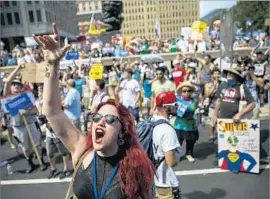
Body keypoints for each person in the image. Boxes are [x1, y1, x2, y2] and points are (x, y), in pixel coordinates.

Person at [33, 23, 154, 199]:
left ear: (123, 132)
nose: (101, 122)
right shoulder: (82, 150)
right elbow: (52, 111)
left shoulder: (137, 168)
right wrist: (52, 64)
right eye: (97, 117)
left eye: (110, 119)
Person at [3, 65, 46, 173]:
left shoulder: (26, 96)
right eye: (14, 85)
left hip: (30, 123)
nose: (16, 87)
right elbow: (7, 81)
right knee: (26, 147)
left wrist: (27, 112)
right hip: (18, 126)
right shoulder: (7, 97)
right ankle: (30, 163)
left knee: (36, 144)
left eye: (18, 85)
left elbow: (35, 110)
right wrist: (17, 69)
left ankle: (41, 161)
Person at [152, 91, 181, 199]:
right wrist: (176, 159)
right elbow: (170, 162)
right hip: (165, 182)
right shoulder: (168, 130)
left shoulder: (151, 122)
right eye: (175, 105)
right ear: (166, 108)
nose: (177, 107)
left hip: (151, 178)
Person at [175, 82, 198, 163]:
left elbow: (192, 110)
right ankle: (176, 155)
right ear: (181, 92)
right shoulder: (177, 100)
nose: (186, 93)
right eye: (184, 91)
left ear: (191, 92)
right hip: (179, 124)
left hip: (190, 125)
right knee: (178, 141)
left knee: (190, 140)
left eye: (189, 91)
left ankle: (189, 154)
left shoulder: (194, 101)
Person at [203, 69, 221, 143]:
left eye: (218, 74)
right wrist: (214, 86)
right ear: (212, 75)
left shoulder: (223, 83)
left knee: (220, 122)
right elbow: (206, 95)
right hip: (212, 105)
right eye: (215, 74)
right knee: (212, 122)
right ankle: (212, 135)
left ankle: (221, 135)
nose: (217, 75)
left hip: (222, 105)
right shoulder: (208, 84)